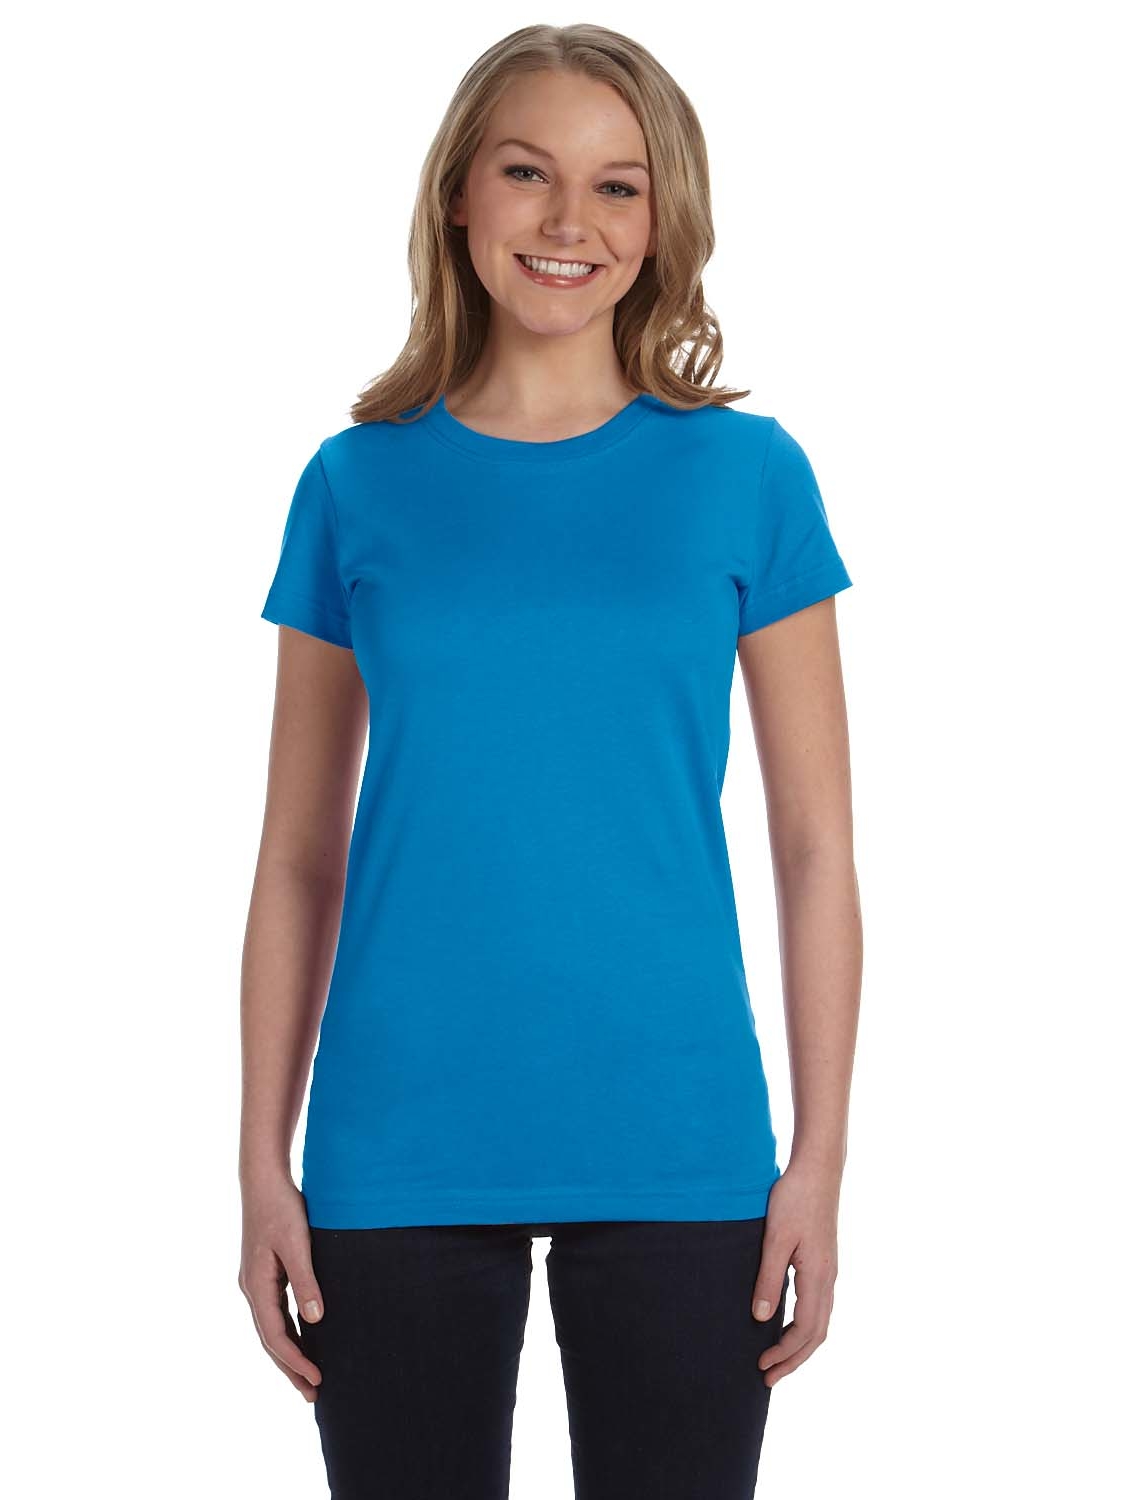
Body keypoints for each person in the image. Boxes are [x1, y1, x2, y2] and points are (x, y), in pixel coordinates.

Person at [238, 22, 862, 1500]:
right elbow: (299, 857)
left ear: (663, 217)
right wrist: (262, 1160)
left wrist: (820, 1162)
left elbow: (816, 849)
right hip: (397, 1137)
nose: (570, 220)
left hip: (680, 1133)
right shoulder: (355, 482)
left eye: (618, 186)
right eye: (528, 172)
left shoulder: (749, 476)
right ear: (460, 191)